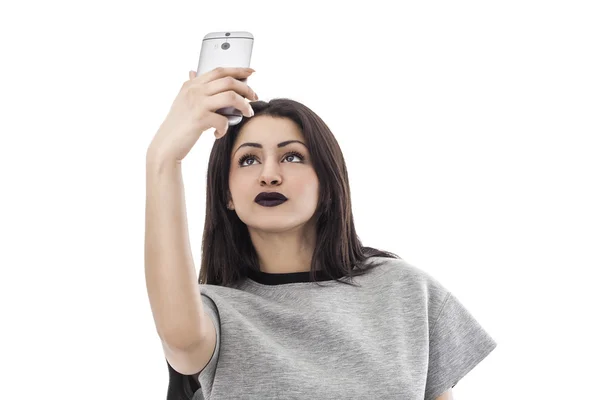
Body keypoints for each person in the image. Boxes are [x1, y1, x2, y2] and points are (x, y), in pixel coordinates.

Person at [145, 67, 497, 400]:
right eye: (249, 160)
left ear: (327, 184)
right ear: (227, 194)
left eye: (292, 157)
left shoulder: (407, 292)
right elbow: (179, 337)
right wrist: (163, 157)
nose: (269, 174)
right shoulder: (211, 313)